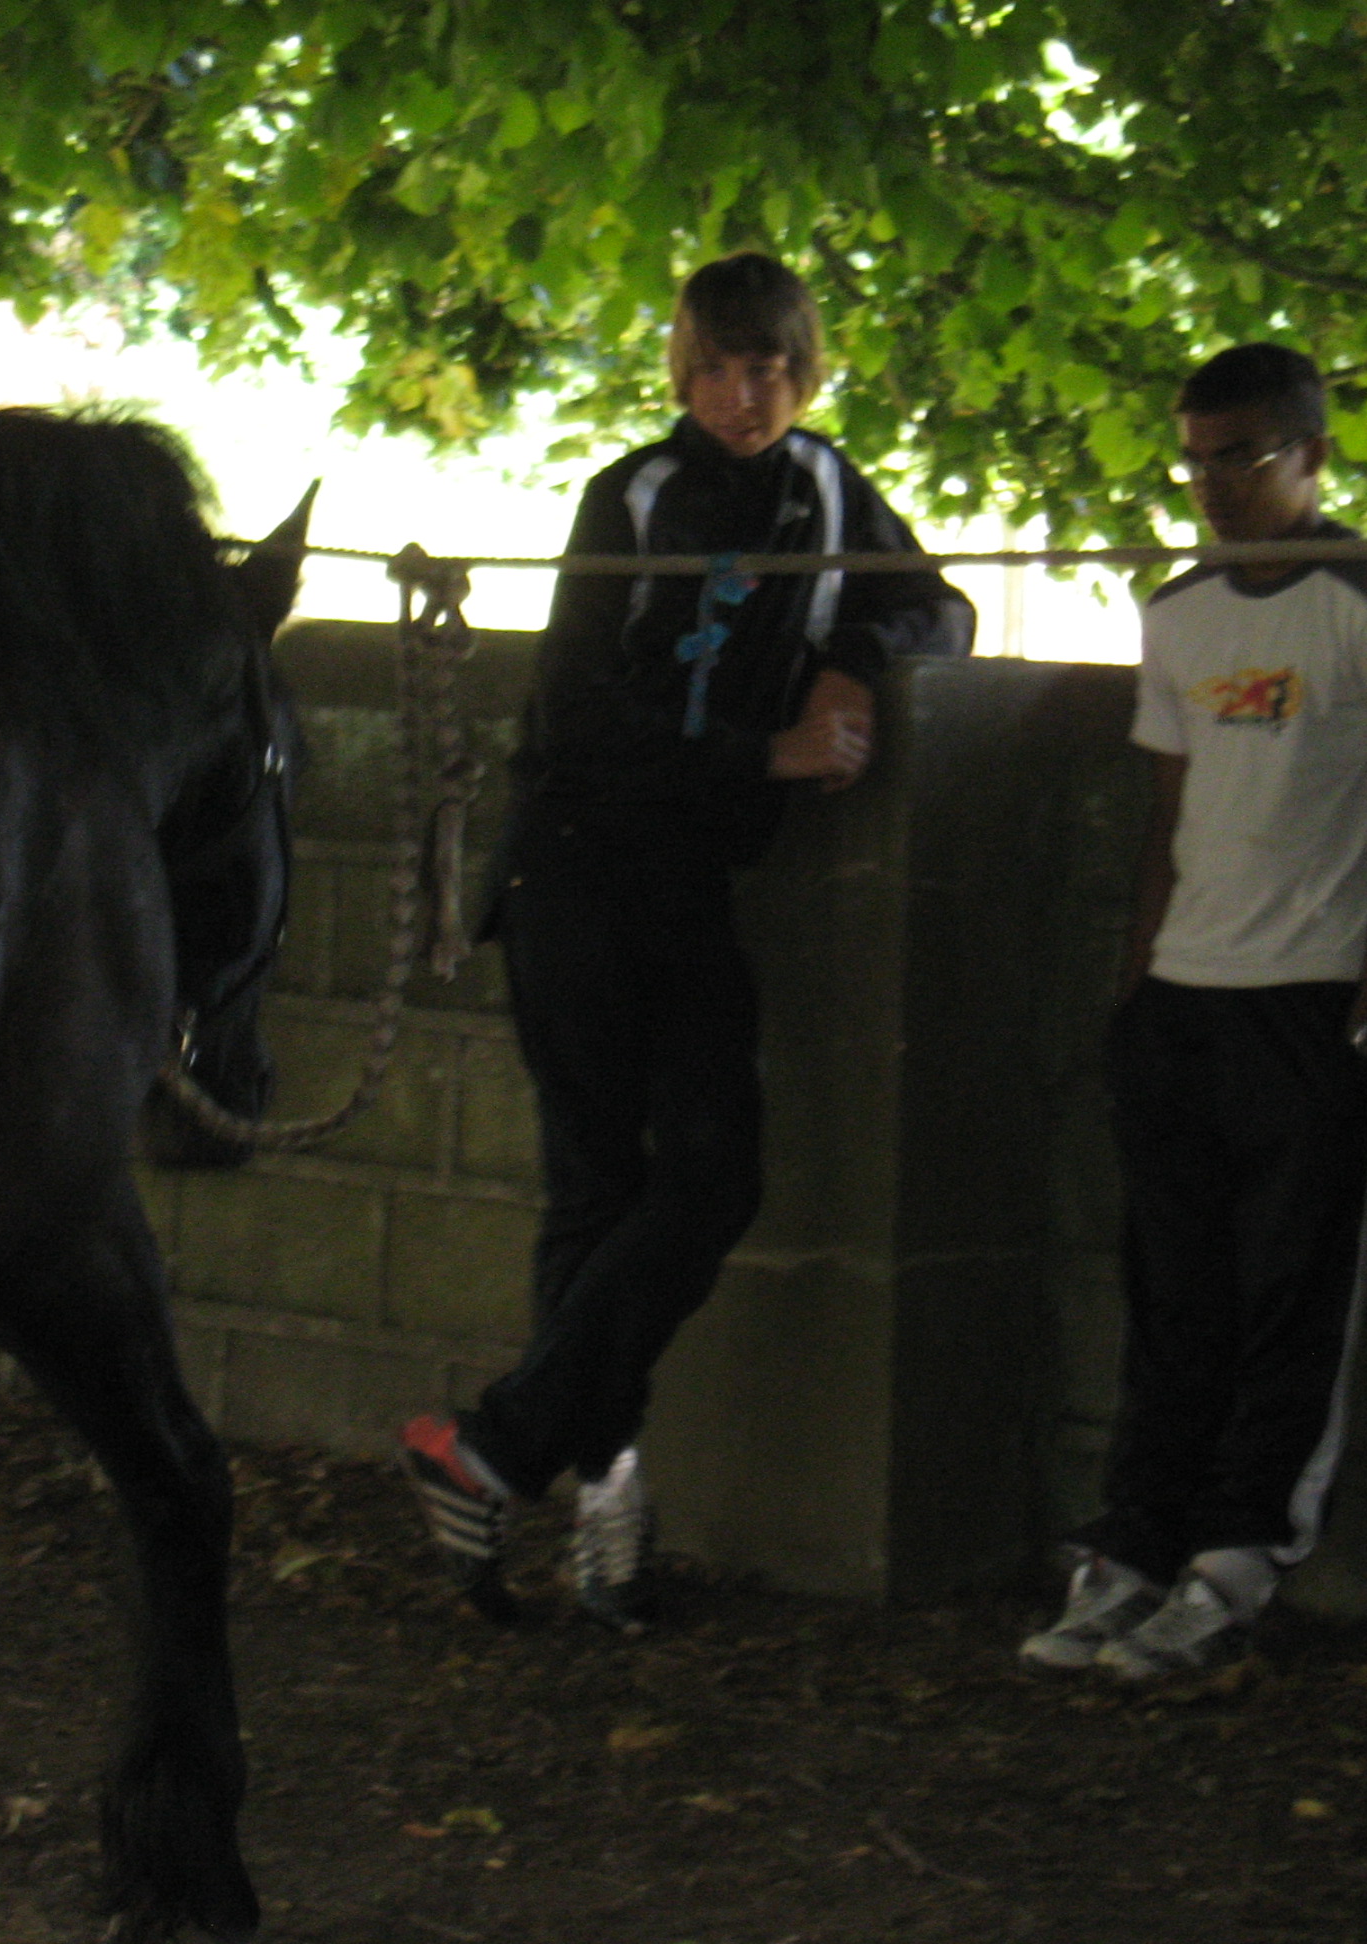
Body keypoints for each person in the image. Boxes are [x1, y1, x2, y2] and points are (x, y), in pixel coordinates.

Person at [400, 252, 973, 1634]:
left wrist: (850, 666)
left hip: (689, 886)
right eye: (716, 369)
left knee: (710, 1179)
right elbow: (576, 715)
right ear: (682, 373)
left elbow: (938, 604)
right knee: (601, 1194)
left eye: (767, 368)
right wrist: (764, 753)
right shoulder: (632, 496)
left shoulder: (825, 488)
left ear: (804, 371)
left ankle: (497, 1452)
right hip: (574, 871)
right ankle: (598, 1509)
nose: (741, 396)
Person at [1020, 342, 1367, 1681]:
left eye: (1244, 458)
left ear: (1312, 457)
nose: (1215, 486)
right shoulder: (1180, 612)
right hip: (1182, 1004)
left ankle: (1238, 1557)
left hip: (1310, 1001)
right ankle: (1136, 1546)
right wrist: (1134, 997)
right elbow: (1168, 821)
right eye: (1197, 462)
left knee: (1289, 1297)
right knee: (1172, 1294)